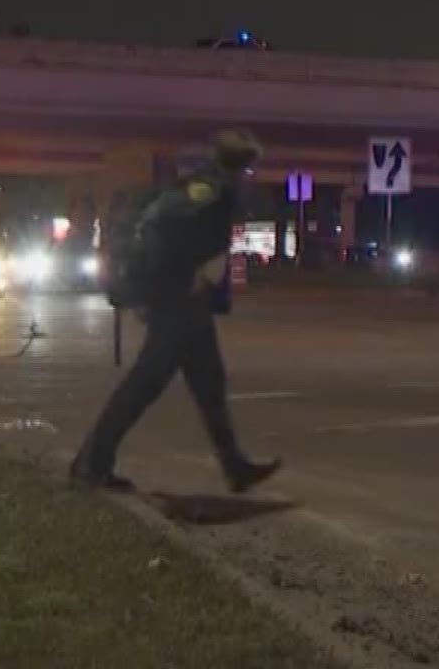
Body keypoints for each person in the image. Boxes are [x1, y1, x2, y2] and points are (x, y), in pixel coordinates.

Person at [69, 129, 280, 493]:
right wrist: (186, 273)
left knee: (210, 385)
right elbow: (164, 226)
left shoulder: (212, 186)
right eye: (250, 168)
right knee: (142, 386)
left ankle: (235, 468)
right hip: (175, 301)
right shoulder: (208, 190)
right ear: (242, 166)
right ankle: (91, 465)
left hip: (186, 304)